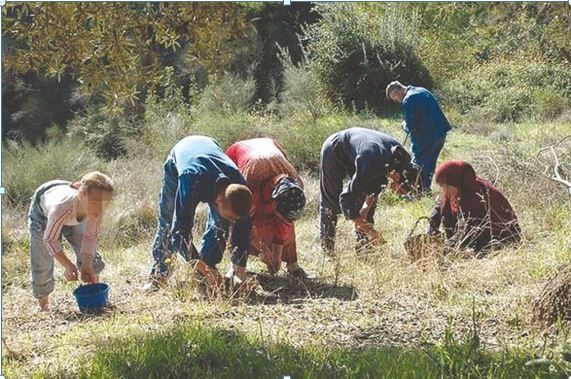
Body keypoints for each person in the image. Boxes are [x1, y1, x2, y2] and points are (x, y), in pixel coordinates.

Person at [144, 136, 252, 291]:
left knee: (221, 223)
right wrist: (206, 271)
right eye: (230, 218)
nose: (231, 223)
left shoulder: (238, 182)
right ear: (219, 201)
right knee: (168, 220)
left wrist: (240, 272)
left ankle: (206, 271)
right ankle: (159, 276)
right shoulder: (190, 179)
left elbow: (244, 225)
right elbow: (180, 233)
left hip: (210, 148)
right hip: (180, 160)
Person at [319, 127, 420, 255]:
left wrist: (363, 218)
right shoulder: (372, 162)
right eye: (402, 192)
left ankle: (364, 249)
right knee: (331, 203)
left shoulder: (403, 161)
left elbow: (371, 194)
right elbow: (346, 199)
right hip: (336, 148)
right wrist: (368, 229)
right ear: (397, 177)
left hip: (363, 153)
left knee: (373, 190)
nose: (400, 195)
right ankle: (328, 251)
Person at [28, 171, 114, 311]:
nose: (99, 209)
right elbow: (50, 240)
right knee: (42, 259)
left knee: (89, 257)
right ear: (81, 195)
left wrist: (86, 264)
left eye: (105, 204)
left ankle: (95, 294)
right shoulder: (60, 208)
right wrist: (68, 265)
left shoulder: (95, 208)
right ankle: (44, 305)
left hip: (73, 209)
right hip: (43, 210)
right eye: (95, 203)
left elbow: (90, 237)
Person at [226, 138, 307, 279]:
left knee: (285, 221)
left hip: (271, 149)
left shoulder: (296, 185)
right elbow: (243, 222)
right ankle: (236, 268)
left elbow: (285, 223)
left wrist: (277, 253)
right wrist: (262, 249)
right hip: (238, 156)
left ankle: (293, 266)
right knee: (237, 216)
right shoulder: (250, 186)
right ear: (274, 204)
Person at [428, 160, 521, 252]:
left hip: (498, 238)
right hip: (473, 235)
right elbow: (439, 207)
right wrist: (431, 232)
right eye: (441, 186)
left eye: (445, 186)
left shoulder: (476, 196)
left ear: (456, 182)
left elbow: (465, 228)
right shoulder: (457, 190)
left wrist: (444, 249)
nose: (444, 190)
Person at [386, 81, 451, 193]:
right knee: (430, 163)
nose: (397, 101)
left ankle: (418, 190)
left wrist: (404, 125)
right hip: (441, 133)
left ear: (397, 92)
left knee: (418, 165)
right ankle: (425, 189)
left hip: (426, 138)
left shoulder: (408, 100)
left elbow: (411, 126)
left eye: (395, 98)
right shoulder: (422, 90)